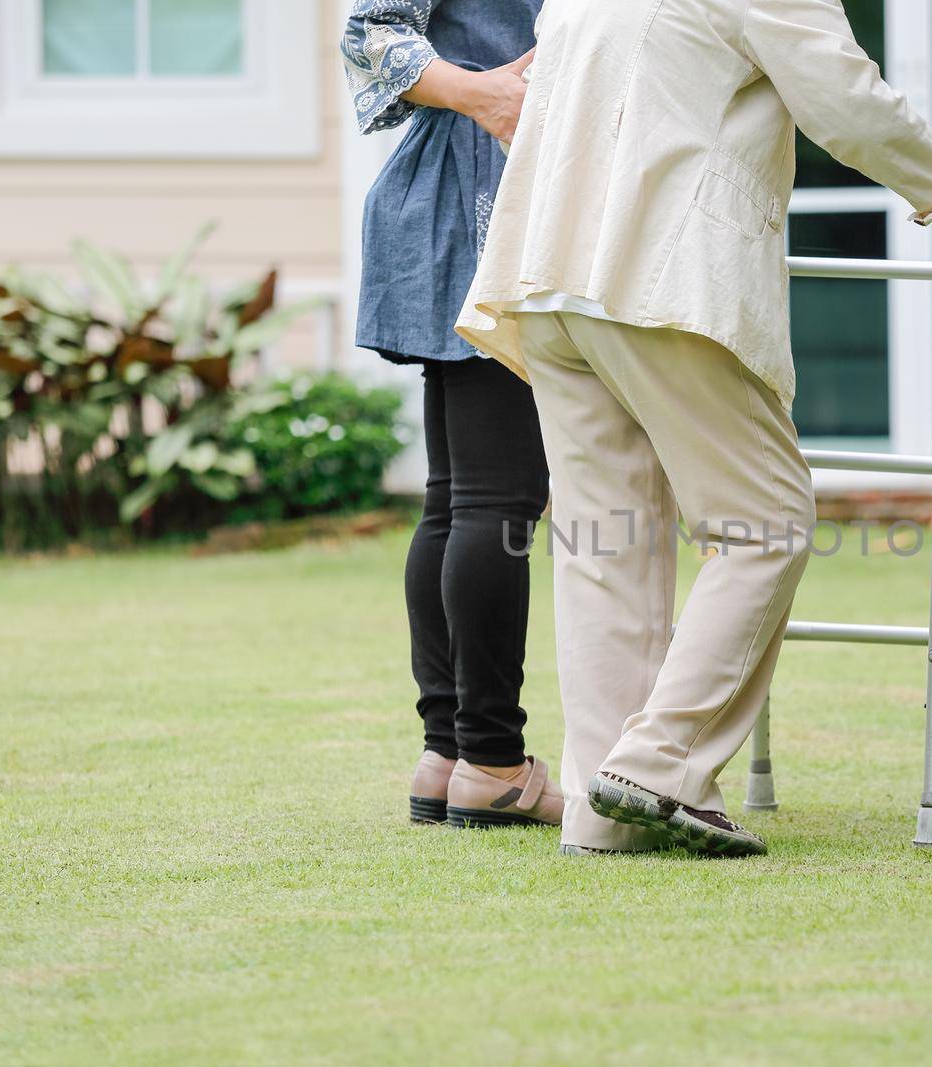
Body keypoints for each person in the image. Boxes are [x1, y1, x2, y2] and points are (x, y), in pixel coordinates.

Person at [459, 0, 932, 858]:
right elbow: (848, 103)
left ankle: (602, 810)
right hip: (656, 279)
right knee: (767, 521)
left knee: (605, 545)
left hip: (547, 278)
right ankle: (657, 766)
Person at [341, 0, 563, 829]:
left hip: (462, 193)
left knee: (460, 497)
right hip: (486, 197)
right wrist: (491, 96)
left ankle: (450, 753)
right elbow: (372, 30)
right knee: (494, 501)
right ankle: (495, 760)